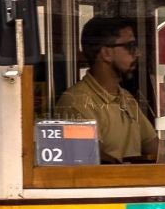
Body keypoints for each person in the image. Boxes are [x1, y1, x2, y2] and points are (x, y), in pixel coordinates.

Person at [52, 16, 158, 164]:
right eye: (130, 46)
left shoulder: (125, 97)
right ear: (106, 53)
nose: (137, 53)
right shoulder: (76, 103)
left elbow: (153, 146)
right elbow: (91, 160)